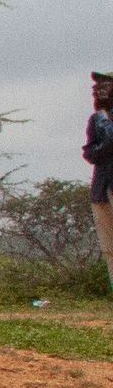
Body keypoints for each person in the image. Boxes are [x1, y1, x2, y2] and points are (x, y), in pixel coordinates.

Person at [86, 73, 112, 271]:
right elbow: (89, 152)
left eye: (104, 84)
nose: (97, 89)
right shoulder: (96, 118)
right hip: (101, 188)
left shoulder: (102, 118)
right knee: (109, 248)